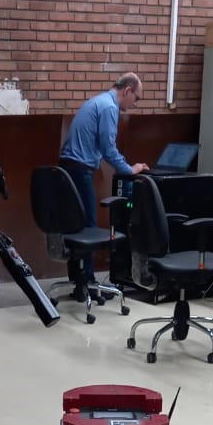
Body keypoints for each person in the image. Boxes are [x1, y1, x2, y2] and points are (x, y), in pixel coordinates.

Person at [58, 73, 149, 293]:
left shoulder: (97, 101)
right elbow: (109, 149)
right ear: (127, 90)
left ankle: (79, 281)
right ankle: (88, 283)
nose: (135, 104)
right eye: (136, 98)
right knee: (88, 228)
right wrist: (130, 169)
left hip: (67, 170)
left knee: (75, 226)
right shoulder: (109, 107)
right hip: (80, 171)